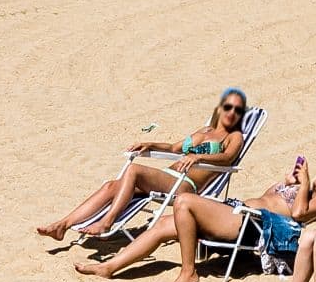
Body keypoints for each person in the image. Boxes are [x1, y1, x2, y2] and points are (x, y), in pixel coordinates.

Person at [77, 157, 316, 282]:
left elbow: (299, 215)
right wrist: (285, 184)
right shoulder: (308, 190)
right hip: (238, 213)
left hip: (250, 227)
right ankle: (109, 267)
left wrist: (303, 184)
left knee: (185, 202)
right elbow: (267, 197)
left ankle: (188, 272)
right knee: (165, 224)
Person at [36, 90, 253, 242]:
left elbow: (227, 158)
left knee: (134, 170)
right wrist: (150, 143)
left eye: (237, 109)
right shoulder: (204, 131)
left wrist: (199, 158)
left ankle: (107, 221)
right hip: (168, 176)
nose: (231, 112)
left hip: (185, 185)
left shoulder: (235, 136)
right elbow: (175, 148)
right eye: (228, 106)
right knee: (111, 186)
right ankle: (62, 225)